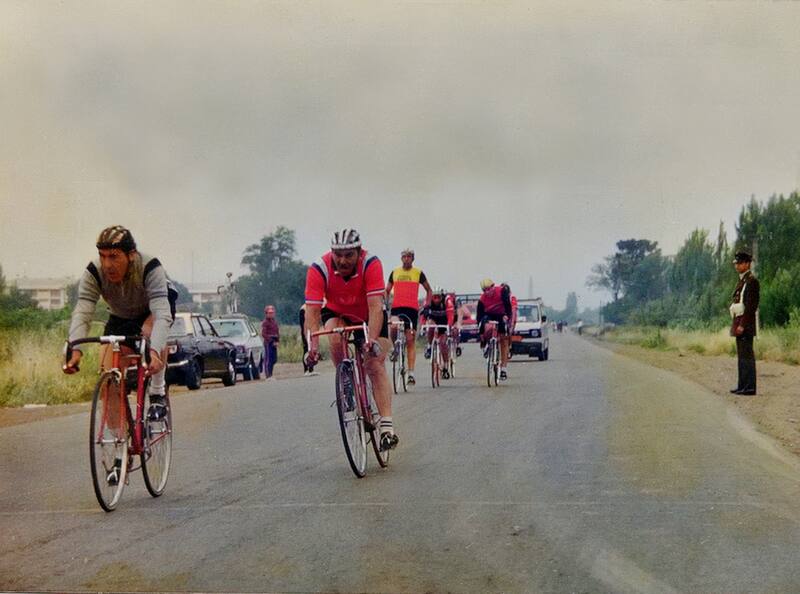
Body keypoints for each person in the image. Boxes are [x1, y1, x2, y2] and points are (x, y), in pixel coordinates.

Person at [63, 225, 176, 485]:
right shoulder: (94, 272)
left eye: (114, 256)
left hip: (153, 310)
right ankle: (119, 450)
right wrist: (75, 349)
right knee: (109, 378)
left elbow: (162, 315)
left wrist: (155, 353)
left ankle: (157, 392)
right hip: (121, 317)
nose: (108, 264)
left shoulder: (150, 267)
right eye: (103, 256)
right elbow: (83, 310)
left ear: (131, 255)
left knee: (151, 336)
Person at [304, 228, 398, 450]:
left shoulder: (371, 263)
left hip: (367, 314)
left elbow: (376, 308)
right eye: (338, 254)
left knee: (374, 363)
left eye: (348, 255)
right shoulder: (319, 268)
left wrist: (371, 340)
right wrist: (313, 347)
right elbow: (312, 312)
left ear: (359, 251)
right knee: (335, 336)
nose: (342, 260)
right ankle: (346, 378)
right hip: (338, 313)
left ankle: (386, 427)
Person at [385, 248, 432, 386]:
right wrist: (385, 302)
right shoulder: (395, 272)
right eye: (404, 256)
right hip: (397, 307)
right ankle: (395, 348)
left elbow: (428, 289)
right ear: (401, 258)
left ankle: (411, 373)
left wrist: (427, 304)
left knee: (410, 339)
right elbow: (387, 290)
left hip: (412, 309)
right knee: (393, 327)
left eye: (409, 257)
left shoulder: (418, 273)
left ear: (413, 258)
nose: (406, 259)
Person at [729, 250, 760, 395]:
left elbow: (751, 306)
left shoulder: (752, 281)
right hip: (739, 321)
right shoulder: (742, 280)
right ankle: (742, 385)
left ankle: (749, 387)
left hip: (745, 324)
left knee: (747, 356)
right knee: (742, 356)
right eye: (737, 263)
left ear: (747, 264)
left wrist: (742, 324)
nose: (737, 266)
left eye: (740, 263)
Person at [477, 278, 513, 381]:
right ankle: (488, 344)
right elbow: (479, 317)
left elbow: (508, 307)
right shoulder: (482, 299)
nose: (487, 292)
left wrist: (507, 316)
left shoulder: (502, 291)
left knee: (503, 338)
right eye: (484, 290)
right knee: (485, 326)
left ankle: (504, 369)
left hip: (501, 314)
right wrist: (481, 333)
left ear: (493, 286)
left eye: (488, 289)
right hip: (488, 314)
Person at [421, 287, 457, 378]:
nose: (436, 300)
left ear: (441, 297)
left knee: (443, 344)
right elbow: (424, 316)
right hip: (434, 320)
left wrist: (449, 327)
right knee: (431, 326)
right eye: (434, 297)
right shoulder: (428, 301)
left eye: (438, 297)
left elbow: (450, 316)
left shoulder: (447, 301)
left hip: (444, 322)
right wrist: (423, 326)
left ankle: (445, 366)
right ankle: (429, 346)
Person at [261, 305, 280, 379]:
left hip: (274, 341)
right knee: (268, 359)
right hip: (268, 343)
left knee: (274, 359)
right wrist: (271, 341)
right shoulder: (265, 322)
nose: (271, 314)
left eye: (272, 313)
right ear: (266, 313)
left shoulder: (274, 322)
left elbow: (277, 331)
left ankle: (271, 374)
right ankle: (268, 375)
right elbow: (263, 334)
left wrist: (277, 340)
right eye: (269, 313)